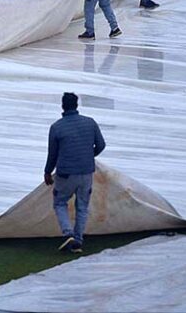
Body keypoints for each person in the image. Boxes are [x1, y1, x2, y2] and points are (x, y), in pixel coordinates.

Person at [44, 92, 106, 253]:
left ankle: (68, 233)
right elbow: (101, 145)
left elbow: (53, 154)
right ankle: (78, 240)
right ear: (77, 105)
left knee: (59, 202)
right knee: (82, 206)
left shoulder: (57, 127)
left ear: (62, 106)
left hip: (65, 174)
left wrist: (47, 172)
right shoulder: (90, 123)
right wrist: (88, 156)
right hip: (86, 173)